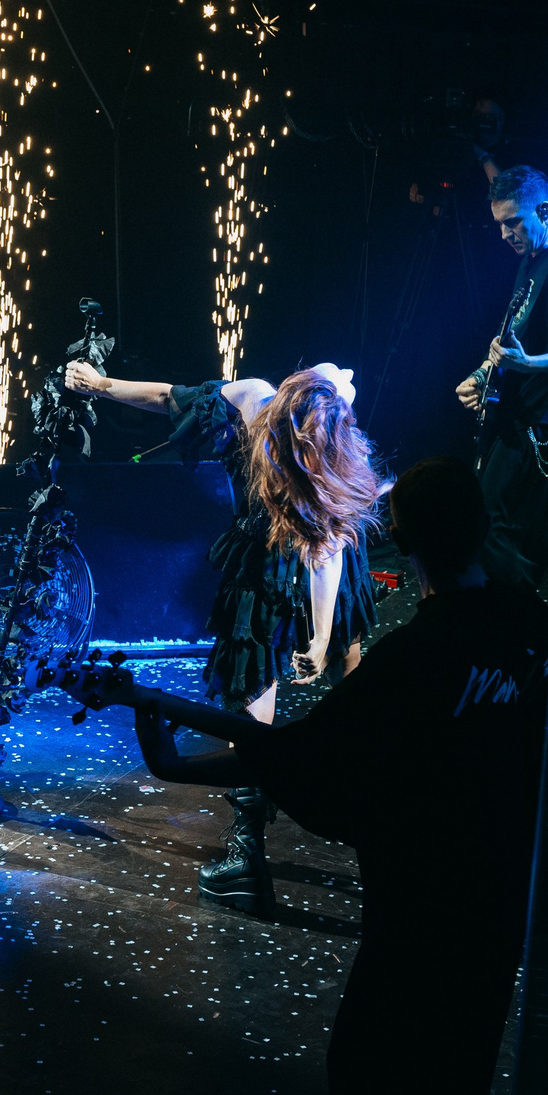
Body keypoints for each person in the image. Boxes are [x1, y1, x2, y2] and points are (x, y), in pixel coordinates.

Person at [70, 457, 548, 1095]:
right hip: (501, 916)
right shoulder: (532, 628)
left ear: (398, 539)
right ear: (482, 526)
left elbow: (301, 755)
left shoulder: (413, 660)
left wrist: (156, 718)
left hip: (416, 924)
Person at [65, 362, 379, 913]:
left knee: (325, 694)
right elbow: (167, 393)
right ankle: (255, 851)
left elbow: (327, 550)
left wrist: (322, 632)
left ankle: (285, 844)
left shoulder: (289, 415)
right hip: (266, 569)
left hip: (285, 568)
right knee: (263, 700)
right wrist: (103, 385)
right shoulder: (280, 409)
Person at [455, 165, 548, 588]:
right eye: (499, 224)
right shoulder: (533, 259)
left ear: (543, 210)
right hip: (519, 415)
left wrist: (528, 365)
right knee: (488, 521)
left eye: (513, 222)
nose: (505, 234)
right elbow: (514, 329)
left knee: (516, 535)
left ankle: (516, 628)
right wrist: (484, 375)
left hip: (546, 424)